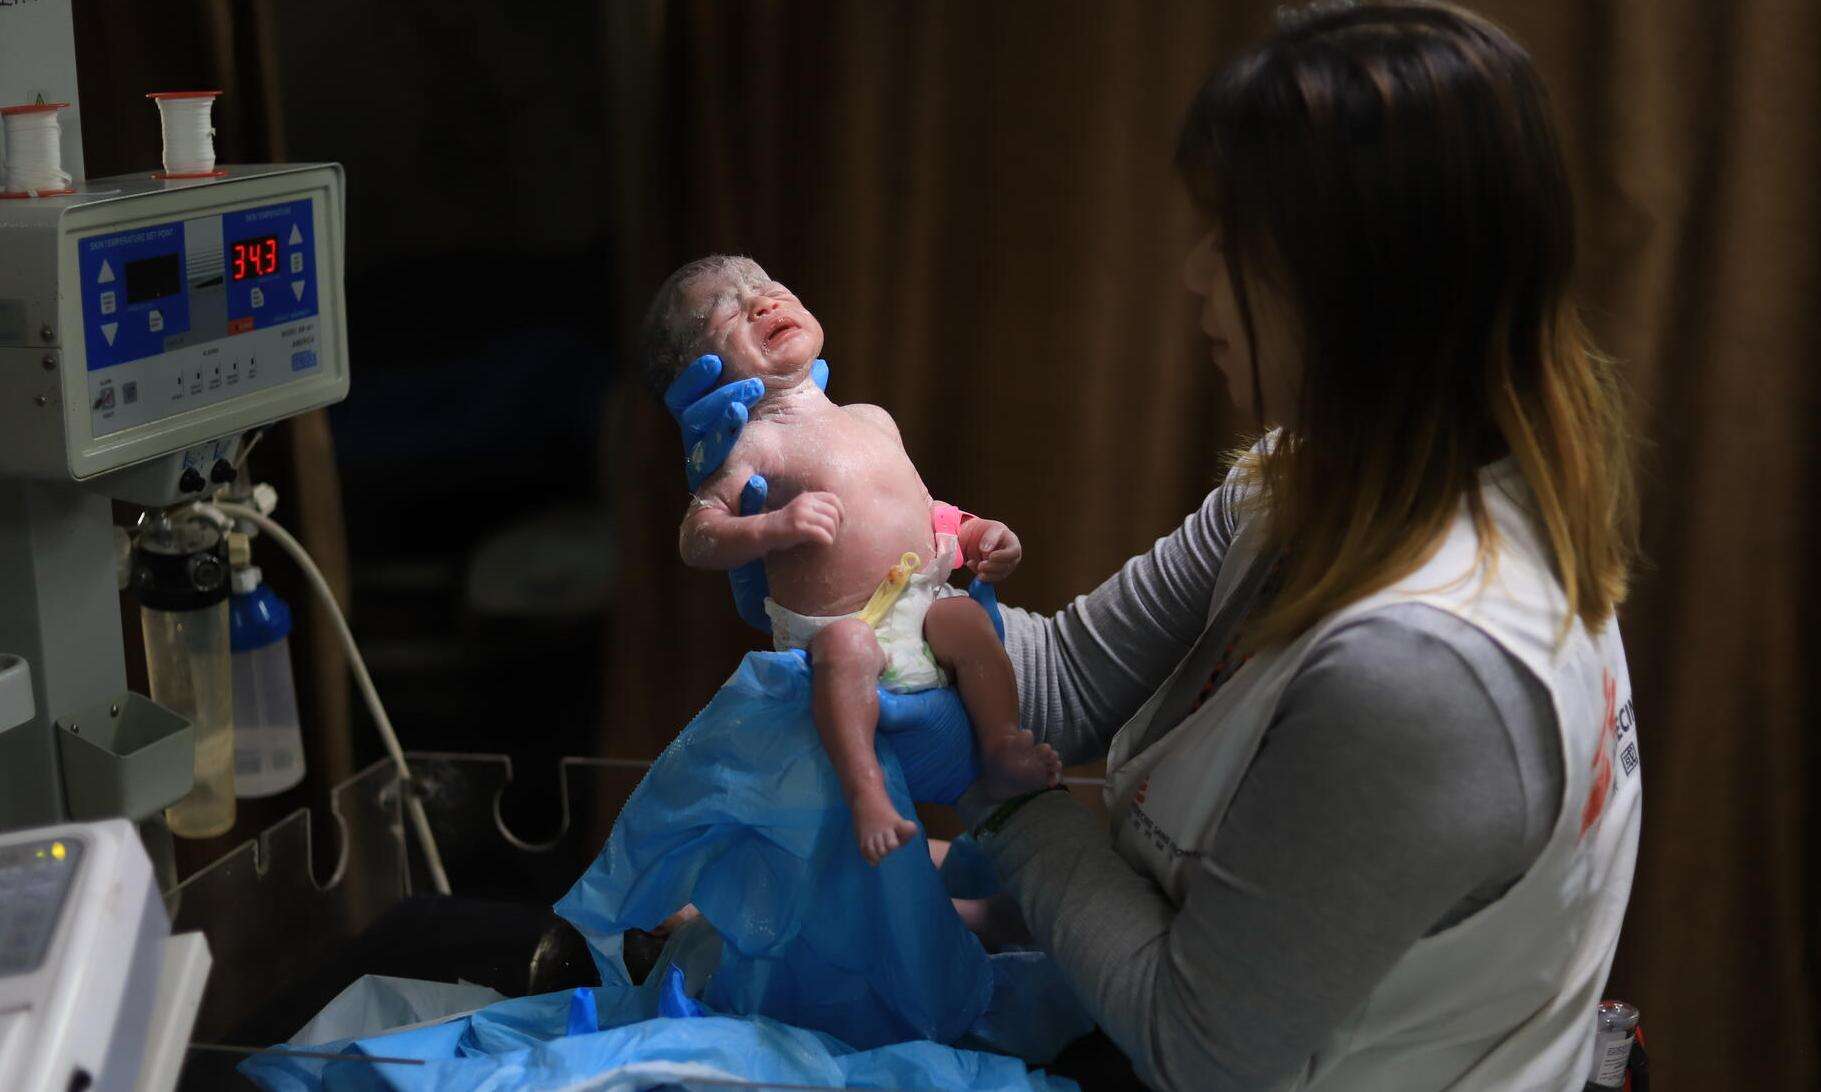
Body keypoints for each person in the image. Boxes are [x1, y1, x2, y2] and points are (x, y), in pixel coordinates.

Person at [665, 2, 1642, 1087]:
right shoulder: (1305, 478)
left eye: (1235, 242)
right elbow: (1072, 679)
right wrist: (858, 581)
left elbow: (1201, 1047)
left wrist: (1004, 798)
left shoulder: (1426, 670)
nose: (1193, 274)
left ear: (1358, 284)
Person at [643, 255, 1061, 863]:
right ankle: (867, 794)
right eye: (724, 310)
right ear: (702, 374)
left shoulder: (871, 419)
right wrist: (768, 527)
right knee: (846, 653)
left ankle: (1001, 747)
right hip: (843, 629)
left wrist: (974, 534)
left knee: (966, 622)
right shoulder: (754, 442)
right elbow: (697, 535)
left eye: (769, 287)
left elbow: (920, 508)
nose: (761, 302)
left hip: (919, 609)